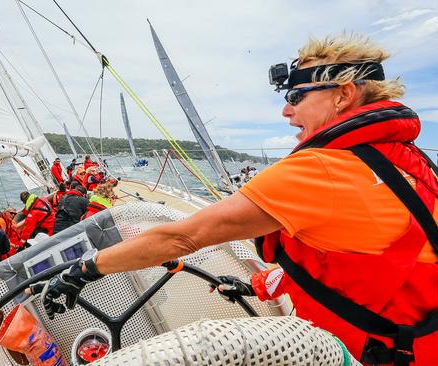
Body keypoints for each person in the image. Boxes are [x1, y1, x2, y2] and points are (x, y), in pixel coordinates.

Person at [31, 33, 438, 365]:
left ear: (343, 95)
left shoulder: (324, 169)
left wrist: (84, 270)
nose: (285, 111)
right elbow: (362, 263)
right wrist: (256, 286)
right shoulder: (409, 163)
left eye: (296, 97)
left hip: (376, 354)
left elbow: (181, 239)